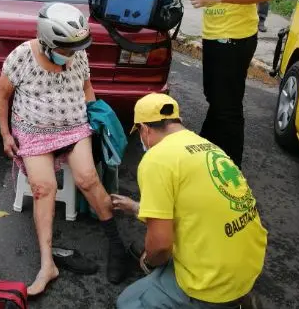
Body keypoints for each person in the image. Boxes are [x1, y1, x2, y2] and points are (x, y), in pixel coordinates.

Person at [0, 3, 129, 296]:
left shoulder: (78, 53)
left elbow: (86, 88)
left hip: (74, 127)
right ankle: (47, 265)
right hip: (32, 130)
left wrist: (94, 116)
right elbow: (3, 96)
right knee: (43, 188)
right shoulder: (21, 56)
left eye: (75, 48)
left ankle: (118, 247)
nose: (71, 54)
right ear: (46, 41)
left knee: (87, 180)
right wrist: (6, 134)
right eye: (65, 49)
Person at [113, 93, 267, 309]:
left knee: (128, 302)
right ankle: (240, 299)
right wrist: (136, 208)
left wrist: (148, 261)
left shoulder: (156, 159)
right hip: (248, 266)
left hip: (213, 282)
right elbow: (195, 207)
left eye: (139, 132)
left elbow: (160, 245)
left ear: (144, 129)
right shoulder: (206, 146)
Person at [172, 0, 273, 168]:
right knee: (214, 98)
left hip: (236, 35)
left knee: (227, 107)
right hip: (215, 32)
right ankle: (210, 158)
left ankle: (231, 172)